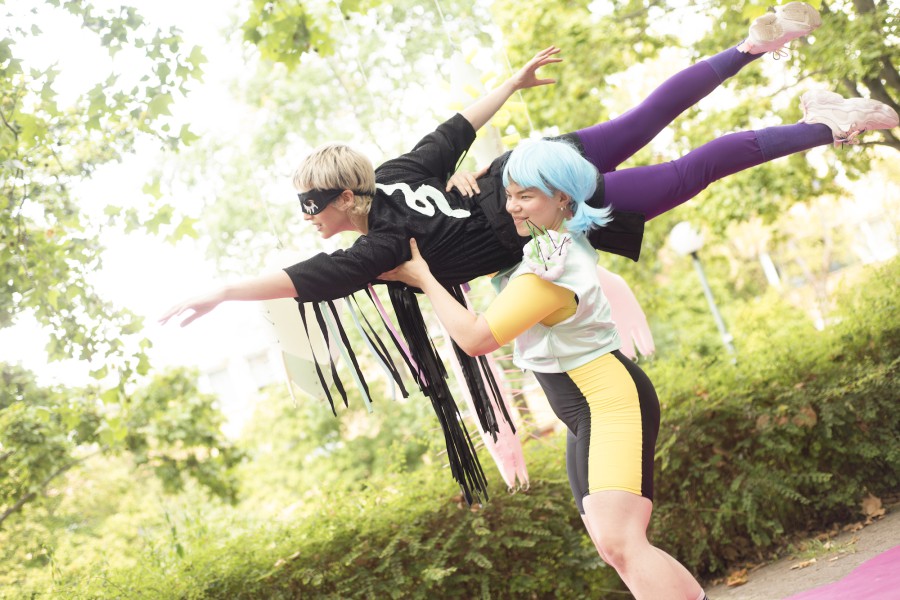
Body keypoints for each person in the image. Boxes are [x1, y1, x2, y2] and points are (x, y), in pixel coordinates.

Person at [161, 2, 897, 501]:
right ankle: (754, 47)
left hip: (539, 207)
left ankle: (833, 125)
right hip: (528, 165)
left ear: (345, 197)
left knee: (687, 172)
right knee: (645, 118)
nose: (309, 222)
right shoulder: (400, 172)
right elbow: (457, 126)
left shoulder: (383, 243)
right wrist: (511, 84)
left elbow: (302, 279)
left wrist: (221, 291)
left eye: (312, 207)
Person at [376, 139, 697, 599]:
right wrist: (461, 180)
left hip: (609, 402)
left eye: (525, 196)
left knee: (622, 541)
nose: (510, 207)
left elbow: (477, 339)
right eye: (509, 195)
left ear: (563, 197)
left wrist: (423, 276)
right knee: (614, 547)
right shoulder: (541, 248)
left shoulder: (553, 263)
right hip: (584, 411)